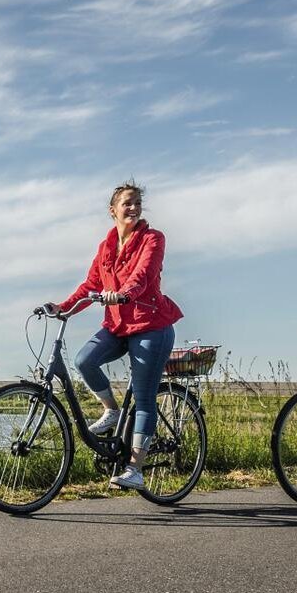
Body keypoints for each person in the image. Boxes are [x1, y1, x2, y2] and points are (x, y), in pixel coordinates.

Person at [40, 181, 183, 491]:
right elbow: (89, 283)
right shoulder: (105, 247)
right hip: (118, 325)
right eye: (126, 203)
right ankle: (112, 410)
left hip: (151, 325)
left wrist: (122, 294)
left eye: (136, 203)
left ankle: (135, 467)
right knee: (84, 360)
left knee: (144, 398)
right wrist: (62, 307)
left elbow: (143, 276)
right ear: (113, 211)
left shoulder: (153, 239)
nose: (132, 208)